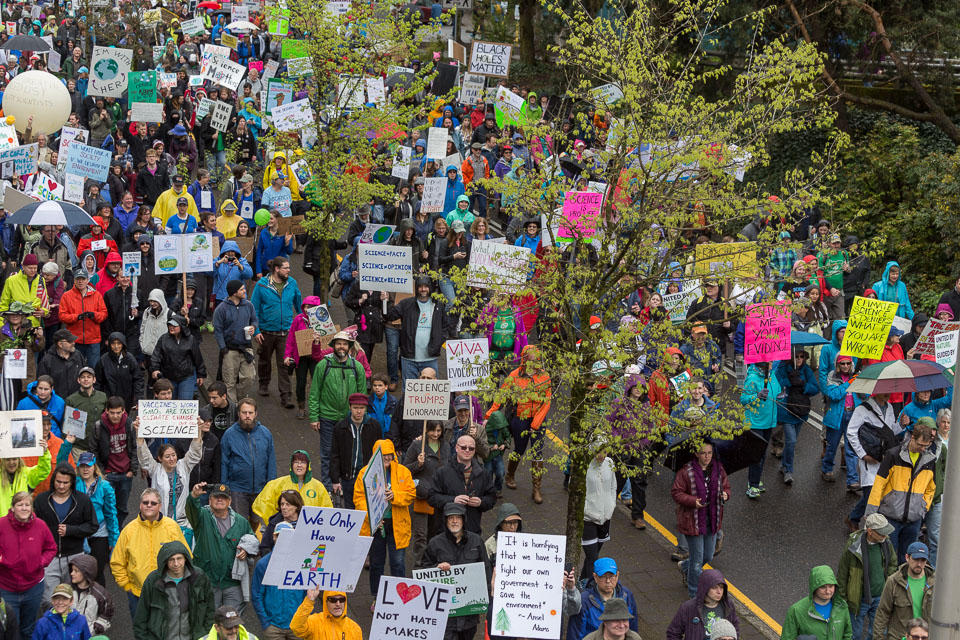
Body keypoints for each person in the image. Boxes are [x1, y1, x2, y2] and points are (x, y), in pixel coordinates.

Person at [485, 345, 552, 502]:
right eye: (530, 359)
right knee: (519, 449)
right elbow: (501, 396)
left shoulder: (544, 377)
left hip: (538, 420)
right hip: (520, 418)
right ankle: (510, 475)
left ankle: (536, 490)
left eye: (536, 360)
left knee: (538, 452)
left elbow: (547, 402)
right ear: (524, 359)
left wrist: (536, 423)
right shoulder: (514, 376)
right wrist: (489, 415)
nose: (533, 363)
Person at [864, 421, 936, 562]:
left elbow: (931, 488)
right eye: (920, 445)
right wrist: (870, 514)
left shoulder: (930, 460)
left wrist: (923, 508)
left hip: (914, 520)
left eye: (926, 446)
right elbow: (879, 485)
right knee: (887, 558)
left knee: (906, 561)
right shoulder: (893, 455)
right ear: (912, 438)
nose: (923, 449)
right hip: (890, 518)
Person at [419, 502, 491, 640]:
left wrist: (486, 600)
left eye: (458, 517)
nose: (454, 521)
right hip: (445, 615)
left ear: (464, 520)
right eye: (450, 518)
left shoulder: (476, 541)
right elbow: (423, 571)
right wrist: (436, 568)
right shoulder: (435, 543)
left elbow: (486, 571)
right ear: (445, 520)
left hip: (469, 614)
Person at [354, 439, 415, 598]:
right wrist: (372, 516)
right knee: (376, 564)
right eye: (383, 455)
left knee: (397, 563)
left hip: (397, 524)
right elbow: (359, 499)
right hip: (376, 526)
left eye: (390, 454)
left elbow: (410, 494)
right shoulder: (364, 473)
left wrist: (395, 495)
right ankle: (377, 596)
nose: (387, 458)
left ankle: (400, 598)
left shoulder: (403, 471)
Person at [308, 331, 367, 489]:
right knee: (327, 453)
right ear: (333, 345)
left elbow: (362, 397)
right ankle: (328, 487)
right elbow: (314, 393)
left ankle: (346, 486)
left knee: (349, 452)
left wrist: (362, 417)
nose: (341, 346)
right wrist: (314, 417)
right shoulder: (323, 365)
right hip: (327, 417)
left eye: (345, 344)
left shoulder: (357, 367)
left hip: (349, 419)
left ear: (349, 347)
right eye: (339, 343)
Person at [34, 463, 99, 604]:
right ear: (53, 480)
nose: (61, 486)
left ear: (72, 483)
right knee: (48, 600)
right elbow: (33, 527)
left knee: (73, 600)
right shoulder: (41, 500)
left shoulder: (82, 500)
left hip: (74, 556)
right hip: (49, 557)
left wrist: (71, 530)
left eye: (65, 483)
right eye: (58, 482)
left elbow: (92, 526)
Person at [672, 441, 730, 597]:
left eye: (709, 453)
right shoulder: (686, 471)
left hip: (712, 520)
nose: (707, 456)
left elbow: (726, 486)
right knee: (697, 562)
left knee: (708, 555)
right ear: (696, 454)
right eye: (703, 453)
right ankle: (694, 594)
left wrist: (726, 494)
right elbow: (676, 492)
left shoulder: (718, 468)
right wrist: (693, 501)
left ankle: (685, 567)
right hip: (693, 521)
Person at [185, 483, 254, 610]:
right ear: (210, 500)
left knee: (232, 618)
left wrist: (246, 549)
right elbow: (191, 509)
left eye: (224, 497)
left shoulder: (241, 522)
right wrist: (194, 496)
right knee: (208, 618)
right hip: (207, 580)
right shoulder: (202, 517)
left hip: (232, 581)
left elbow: (252, 540)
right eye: (216, 497)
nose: (220, 499)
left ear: (230, 501)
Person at [132, 540, 215, 640]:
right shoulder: (153, 581)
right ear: (165, 561)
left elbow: (210, 610)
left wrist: (204, 634)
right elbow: (140, 618)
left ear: (185, 559)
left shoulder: (199, 577)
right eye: (171, 560)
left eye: (179, 558)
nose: (176, 564)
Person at [0, 491, 56, 638]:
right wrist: (2, 559)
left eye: (27, 505)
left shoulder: (40, 525)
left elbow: (51, 548)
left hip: (33, 587)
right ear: (13, 508)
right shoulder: (1, 525)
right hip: (6, 587)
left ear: (31, 508)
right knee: (10, 629)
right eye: (20, 505)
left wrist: (40, 562)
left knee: (28, 629)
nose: (24, 508)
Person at [250, 257, 301, 408]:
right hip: (266, 332)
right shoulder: (262, 285)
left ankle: (286, 396)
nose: (289, 270)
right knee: (264, 360)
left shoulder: (292, 283)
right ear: (276, 269)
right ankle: (263, 383)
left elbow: (299, 305)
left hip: (286, 333)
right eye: (286, 268)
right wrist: (256, 331)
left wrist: (303, 322)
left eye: (289, 267)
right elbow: (254, 309)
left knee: (285, 364)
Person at [836, 513, 897, 640]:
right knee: (855, 635)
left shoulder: (886, 542)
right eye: (881, 533)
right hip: (859, 599)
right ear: (870, 531)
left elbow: (892, 562)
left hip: (880, 597)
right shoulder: (853, 546)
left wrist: (888, 584)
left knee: (877, 634)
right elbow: (843, 573)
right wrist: (843, 598)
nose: (885, 535)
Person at [846, 393, 901, 531]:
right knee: (871, 496)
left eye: (889, 391)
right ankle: (869, 530)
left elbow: (890, 431)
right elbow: (851, 432)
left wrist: (901, 425)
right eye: (884, 391)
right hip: (870, 461)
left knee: (876, 494)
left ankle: (853, 517)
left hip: (885, 459)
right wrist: (863, 455)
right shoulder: (862, 409)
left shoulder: (889, 407)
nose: (887, 394)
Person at [220, 398, 277, 525]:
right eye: (244, 412)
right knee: (239, 524)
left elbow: (271, 461)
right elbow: (224, 462)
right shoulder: (229, 434)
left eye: (250, 413)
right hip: (237, 490)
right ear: (238, 413)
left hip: (261, 489)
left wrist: (271, 486)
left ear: (256, 413)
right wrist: (225, 487)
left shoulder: (265, 433)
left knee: (258, 523)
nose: (247, 416)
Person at [427, 434, 497, 534]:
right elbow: (432, 497)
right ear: (456, 448)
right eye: (463, 447)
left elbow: (492, 497)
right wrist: (453, 500)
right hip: (446, 531)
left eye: (471, 448)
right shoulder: (442, 472)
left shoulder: (483, 473)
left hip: (472, 530)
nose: (467, 450)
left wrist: (481, 502)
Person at [137, 434, 202, 543]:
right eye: (167, 456)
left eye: (173, 455)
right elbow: (144, 456)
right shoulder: (155, 469)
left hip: (181, 521)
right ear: (160, 458)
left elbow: (194, 453)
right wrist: (139, 433)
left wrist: (198, 432)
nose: (172, 459)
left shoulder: (183, 466)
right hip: (160, 520)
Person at [402, 419, 449, 564]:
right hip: (421, 497)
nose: (435, 434)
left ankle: (431, 561)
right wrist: (418, 464)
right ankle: (419, 564)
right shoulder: (417, 445)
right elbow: (404, 469)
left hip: (438, 496)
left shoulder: (446, 446)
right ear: (426, 430)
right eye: (432, 430)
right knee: (420, 534)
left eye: (439, 430)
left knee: (435, 532)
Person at [385, 276, 445, 383]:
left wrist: (439, 341)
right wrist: (386, 302)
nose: (423, 289)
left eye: (426, 286)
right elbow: (390, 316)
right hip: (409, 358)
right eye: (420, 286)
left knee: (431, 390)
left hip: (430, 358)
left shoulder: (438, 305)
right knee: (409, 391)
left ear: (430, 287)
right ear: (416, 288)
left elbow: (446, 325)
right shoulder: (406, 303)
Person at [88, 396, 138, 526]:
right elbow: (93, 450)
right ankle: (108, 531)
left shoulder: (129, 424)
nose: (115, 416)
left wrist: (132, 470)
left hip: (125, 473)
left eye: (118, 413)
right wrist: (101, 472)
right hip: (107, 473)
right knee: (106, 505)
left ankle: (117, 530)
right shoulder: (99, 426)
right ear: (106, 411)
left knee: (122, 508)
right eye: (112, 413)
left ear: (123, 411)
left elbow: (135, 447)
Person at [70, 453, 118, 586]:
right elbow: (60, 463)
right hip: (79, 533)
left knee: (97, 571)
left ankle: (99, 597)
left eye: (88, 466)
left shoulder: (105, 487)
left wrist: (113, 540)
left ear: (94, 467)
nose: (85, 469)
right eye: (82, 466)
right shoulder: (73, 484)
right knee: (78, 571)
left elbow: (111, 514)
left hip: (99, 532)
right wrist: (67, 444)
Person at [774, 349, 819, 484]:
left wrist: (803, 384)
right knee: (791, 441)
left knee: (791, 443)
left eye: (801, 356)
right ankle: (788, 470)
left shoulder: (806, 370)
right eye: (796, 356)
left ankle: (784, 464)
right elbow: (776, 383)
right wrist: (789, 381)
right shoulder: (783, 367)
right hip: (787, 411)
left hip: (801, 410)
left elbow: (815, 388)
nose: (799, 359)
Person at [252, 521, 304, 640]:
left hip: (297, 626)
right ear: (274, 537)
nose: (283, 539)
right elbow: (257, 595)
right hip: (273, 628)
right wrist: (266, 623)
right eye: (279, 535)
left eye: (287, 535)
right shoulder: (263, 564)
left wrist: (304, 619)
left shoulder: (301, 563)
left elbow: (308, 594)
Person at [567, 558, 640, 640]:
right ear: (595, 577)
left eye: (611, 576)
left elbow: (633, 627)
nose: (608, 581)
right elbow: (575, 634)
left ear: (617, 575)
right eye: (603, 577)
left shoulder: (627, 595)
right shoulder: (584, 600)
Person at [873, 542, 934, 640]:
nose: (919, 564)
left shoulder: (935, 583)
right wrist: (878, 638)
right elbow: (883, 613)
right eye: (915, 559)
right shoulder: (893, 581)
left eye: (923, 560)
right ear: (907, 557)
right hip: (899, 636)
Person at [330, 394, 381, 509]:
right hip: (348, 477)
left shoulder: (374, 426)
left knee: (369, 508)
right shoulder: (340, 427)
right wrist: (335, 479)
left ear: (366, 408)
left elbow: (378, 453)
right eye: (355, 408)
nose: (359, 411)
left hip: (368, 476)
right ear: (350, 407)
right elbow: (334, 454)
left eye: (362, 408)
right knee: (350, 509)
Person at [740, 362, 781, 498]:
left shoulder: (771, 375)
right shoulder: (752, 378)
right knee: (756, 455)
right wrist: (756, 396)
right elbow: (743, 399)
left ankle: (755, 479)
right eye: (770, 362)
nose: (772, 363)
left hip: (768, 422)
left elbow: (775, 392)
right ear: (763, 364)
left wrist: (780, 395)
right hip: (755, 423)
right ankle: (752, 485)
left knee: (762, 454)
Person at [822, 354, 862, 490]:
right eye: (842, 363)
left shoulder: (856, 375)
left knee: (851, 449)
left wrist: (862, 383)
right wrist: (850, 383)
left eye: (848, 363)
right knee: (832, 446)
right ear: (838, 365)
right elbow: (834, 395)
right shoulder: (832, 376)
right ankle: (827, 469)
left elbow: (865, 396)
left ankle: (852, 480)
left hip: (853, 415)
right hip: (836, 416)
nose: (845, 366)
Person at [781, 565, 852, 640]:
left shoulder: (842, 607)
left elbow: (847, 635)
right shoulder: (796, 611)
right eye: (823, 587)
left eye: (831, 586)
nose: (828, 591)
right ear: (814, 587)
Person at [667, 569, 740, 640]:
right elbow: (673, 633)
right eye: (714, 588)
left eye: (721, 587)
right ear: (705, 588)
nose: (719, 592)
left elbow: (735, 628)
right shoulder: (688, 607)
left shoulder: (728, 605)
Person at [150, 315, 206, 400]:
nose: (171, 327)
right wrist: (155, 369)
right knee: (168, 403)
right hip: (168, 377)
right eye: (170, 325)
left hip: (186, 377)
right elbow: (156, 355)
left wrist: (200, 374)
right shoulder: (163, 339)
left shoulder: (190, 339)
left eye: (174, 325)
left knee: (184, 404)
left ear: (182, 326)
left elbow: (197, 358)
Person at [58, 270, 107, 369]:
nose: (80, 281)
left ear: (87, 280)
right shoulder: (67, 296)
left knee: (94, 368)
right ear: (74, 280)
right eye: (78, 279)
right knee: (74, 367)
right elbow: (62, 316)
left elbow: (104, 314)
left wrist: (94, 315)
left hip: (93, 339)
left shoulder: (96, 295)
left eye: (83, 279)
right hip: (74, 340)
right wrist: (77, 317)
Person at [581, 447, 617, 576]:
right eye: (597, 451)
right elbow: (574, 489)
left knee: (593, 556)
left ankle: (582, 581)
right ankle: (590, 584)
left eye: (604, 452)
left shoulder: (610, 463)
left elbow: (613, 486)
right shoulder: (583, 465)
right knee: (592, 558)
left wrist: (611, 505)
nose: (601, 455)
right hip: (588, 518)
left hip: (605, 517)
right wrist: (585, 509)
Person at [95, 333, 145, 415]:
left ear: (123, 344)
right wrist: (98, 400)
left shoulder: (130, 359)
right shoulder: (103, 360)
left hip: (126, 400)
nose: (116, 346)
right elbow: (97, 382)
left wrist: (139, 398)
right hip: (108, 401)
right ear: (109, 344)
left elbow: (138, 379)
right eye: (113, 343)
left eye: (119, 343)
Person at [64, 368, 107, 457]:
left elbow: (107, 418)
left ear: (94, 379)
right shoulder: (71, 399)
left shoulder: (102, 397)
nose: (86, 379)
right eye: (83, 377)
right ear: (78, 380)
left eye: (89, 377)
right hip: (79, 447)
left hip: (99, 445)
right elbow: (67, 425)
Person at [68, 553, 114, 635]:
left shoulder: (100, 594)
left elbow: (106, 614)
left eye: (76, 571)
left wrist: (94, 629)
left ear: (86, 573)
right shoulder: (67, 589)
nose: (72, 573)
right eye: (72, 570)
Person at [289, 588, 361, 640]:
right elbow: (296, 627)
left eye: (342, 600)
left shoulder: (354, 628)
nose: (338, 604)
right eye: (333, 600)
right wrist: (309, 601)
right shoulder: (315, 622)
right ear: (326, 602)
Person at [38, 329, 86, 401]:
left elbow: (85, 375)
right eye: (70, 341)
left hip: (77, 401)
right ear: (60, 344)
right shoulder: (47, 361)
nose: (73, 343)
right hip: (56, 401)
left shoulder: (78, 355)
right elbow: (41, 383)